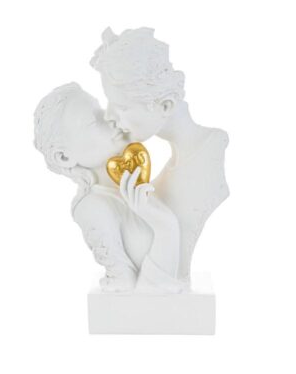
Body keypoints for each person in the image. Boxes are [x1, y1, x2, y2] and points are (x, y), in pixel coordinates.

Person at [91, 27, 230, 285]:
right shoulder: (180, 159)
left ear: (165, 105)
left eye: (121, 106)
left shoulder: (205, 159)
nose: (109, 116)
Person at [34, 82, 184, 293]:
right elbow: (126, 284)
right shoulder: (92, 208)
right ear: (64, 157)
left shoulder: (128, 188)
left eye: (101, 110)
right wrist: (165, 225)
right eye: (92, 121)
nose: (109, 118)